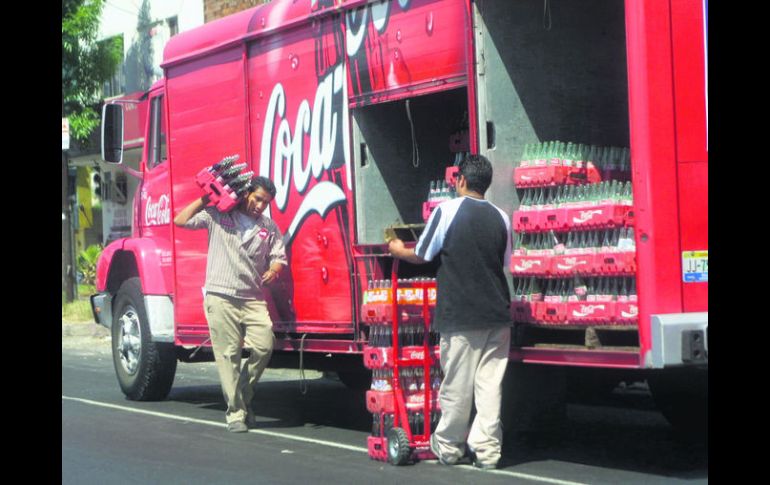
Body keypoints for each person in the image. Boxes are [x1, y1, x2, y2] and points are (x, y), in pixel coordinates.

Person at [388, 155, 512, 469]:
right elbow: (506, 264)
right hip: (497, 314)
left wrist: (396, 248)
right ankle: (487, 452)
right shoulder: (501, 217)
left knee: (457, 384)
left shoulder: (447, 210)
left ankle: (449, 446)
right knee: (489, 387)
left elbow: (422, 253)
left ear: (460, 181)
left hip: (462, 314)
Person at [174, 175, 287, 433]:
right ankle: (236, 413)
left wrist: (275, 269)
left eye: (266, 202)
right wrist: (206, 198)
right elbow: (180, 220)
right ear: (247, 194)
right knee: (229, 356)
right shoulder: (218, 215)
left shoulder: (268, 227)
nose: (260, 206)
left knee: (264, 345)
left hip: (252, 298)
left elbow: (279, 256)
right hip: (220, 295)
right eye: (257, 199)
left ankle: (243, 396)